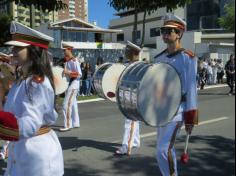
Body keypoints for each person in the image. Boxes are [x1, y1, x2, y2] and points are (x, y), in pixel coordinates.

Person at [0, 21, 64, 175]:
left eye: (18, 47)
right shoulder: (21, 80)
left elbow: (29, 125)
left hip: (37, 156)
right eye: (13, 47)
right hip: (22, 150)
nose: (13, 50)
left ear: (33, 50)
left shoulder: (37, 83)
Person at [154, 14, 198, 176]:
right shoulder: (159, 58)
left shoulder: (188, 58)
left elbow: (191, 88)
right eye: (163, 30)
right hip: (161, 110)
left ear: (179, 33)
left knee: (162, 150)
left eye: (169, 31)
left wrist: (190, 117)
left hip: (177, 110)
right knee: (164, 150)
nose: (165, 34)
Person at [115, 41, 141, 156]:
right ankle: (135, 141)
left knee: (129, 122)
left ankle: (126, 146)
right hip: (128, 96)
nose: (125, 52)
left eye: (127, 50)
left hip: (133, 98)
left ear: (134, 52)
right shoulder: (129, 65)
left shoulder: (138, 66)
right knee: (134, 121)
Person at [60, 43, 82, 132]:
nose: (63, 52)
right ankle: (76, 123)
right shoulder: (68, 61)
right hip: (71, 84)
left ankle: (68, 125)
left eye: (64, 50)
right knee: (73, 104)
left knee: (66, 105)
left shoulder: (74, 61)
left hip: (74, 84)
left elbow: (79, 74)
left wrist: (68, 73)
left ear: (69, 50)